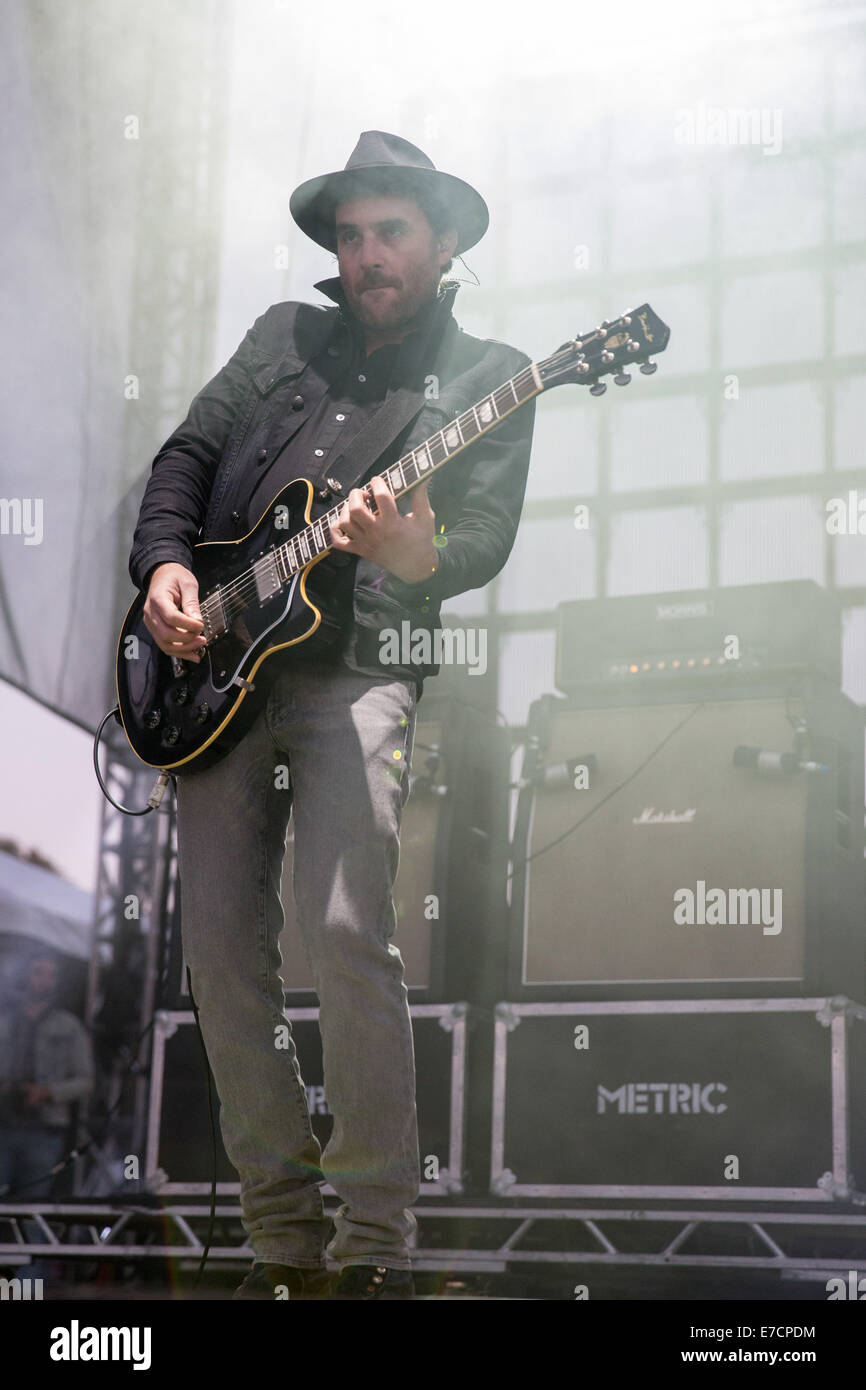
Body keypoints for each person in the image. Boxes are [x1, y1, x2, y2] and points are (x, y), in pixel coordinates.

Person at [128, 130, 536, 1300]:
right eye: (349, 236)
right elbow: (188, 456)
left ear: (444, 240)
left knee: (350, 933)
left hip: (356, 666)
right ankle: (281, 1248)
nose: (365, 256)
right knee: (217, 956)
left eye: (389, 233)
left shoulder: (492, 373)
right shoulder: (281, 335)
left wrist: (418, 550)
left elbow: (481, 540)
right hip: (211, 673)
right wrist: (164, 566)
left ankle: (372, 1253)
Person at [0, 952, 94, 1201]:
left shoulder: (69, 1026)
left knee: (33, 1207)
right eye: (38, 972)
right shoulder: (5, 1021)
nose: (44, 981)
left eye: (51, 975)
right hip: (4, 1123)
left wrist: (48, 1092)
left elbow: (85, 1079)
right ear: (26, 976)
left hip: (44, 1130)